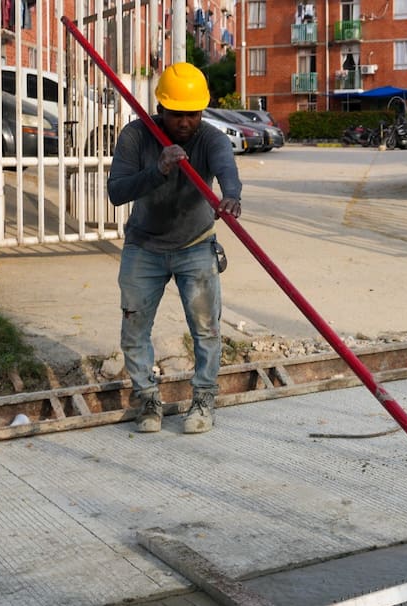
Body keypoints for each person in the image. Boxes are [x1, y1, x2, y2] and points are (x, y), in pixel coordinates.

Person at [107, 62, 242, 434]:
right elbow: (116, 192)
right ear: (161, 108)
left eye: (193, 113)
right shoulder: (136, 136)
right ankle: (147, 398)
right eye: (178, 114)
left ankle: (203, 399)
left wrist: (230, 196)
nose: (186, 122)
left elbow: (226, 168)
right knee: (134, 328)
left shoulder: (210, 138)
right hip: (143, 246)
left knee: (206, 329)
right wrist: (159, 170)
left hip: (196, 245)